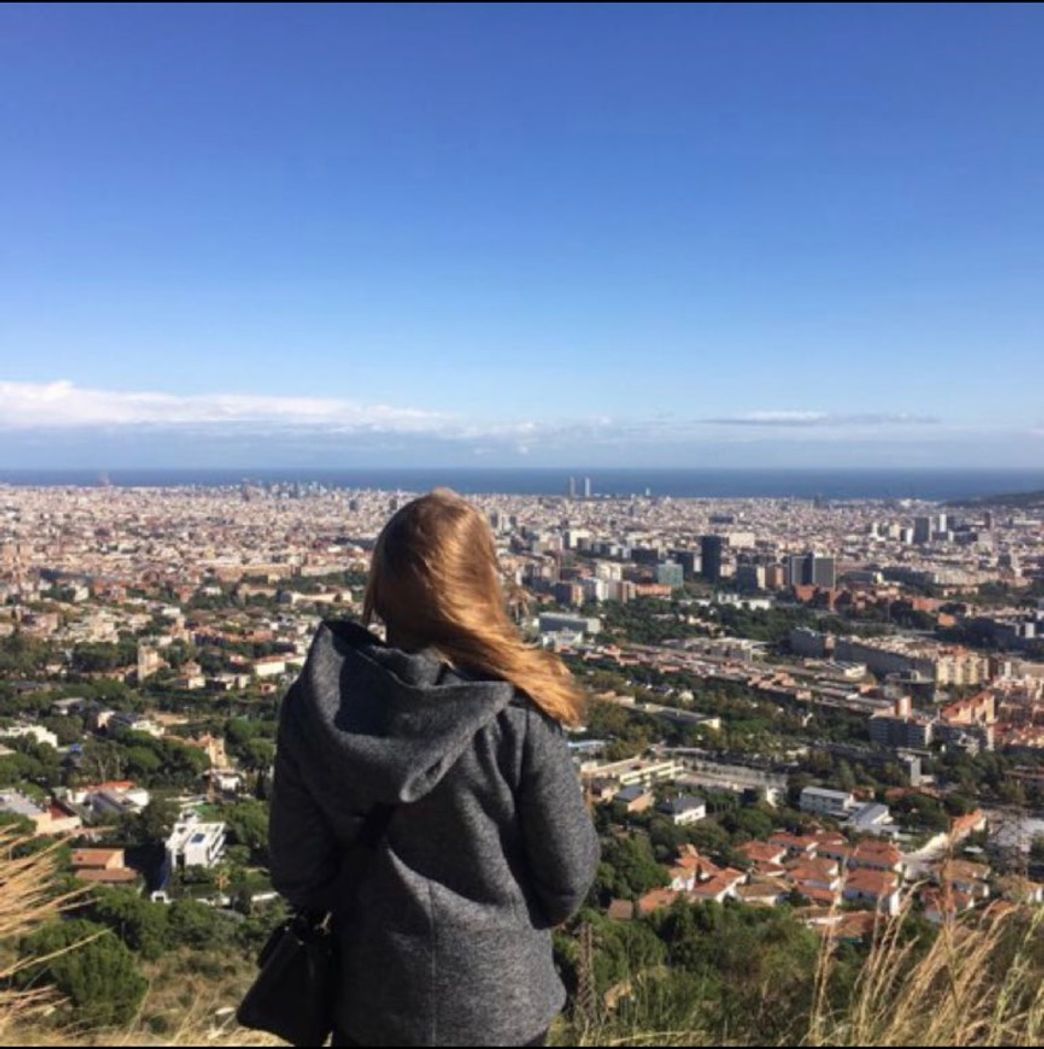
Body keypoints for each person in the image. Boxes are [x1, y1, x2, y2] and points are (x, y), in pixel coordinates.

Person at [269, 488, 601, 1048]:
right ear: (479, 585)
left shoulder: (315, 707)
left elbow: (298, 870)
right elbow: (567, 881)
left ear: (382, 586)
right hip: (502, 1010)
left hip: (371, 1003)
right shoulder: (515, 715)